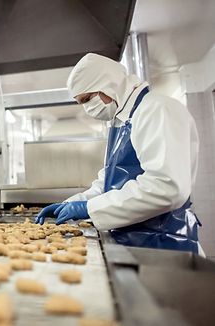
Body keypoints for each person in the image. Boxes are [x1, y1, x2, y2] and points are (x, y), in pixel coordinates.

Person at [35, 53, 201, 254]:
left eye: (88, 99)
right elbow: (110, 184)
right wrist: (70, 204)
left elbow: (166, 187)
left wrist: (89, 209)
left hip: (164, 242)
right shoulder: (122, 122)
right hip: (134, 239)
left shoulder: (157, 110)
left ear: (108, 84)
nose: (88, 108)